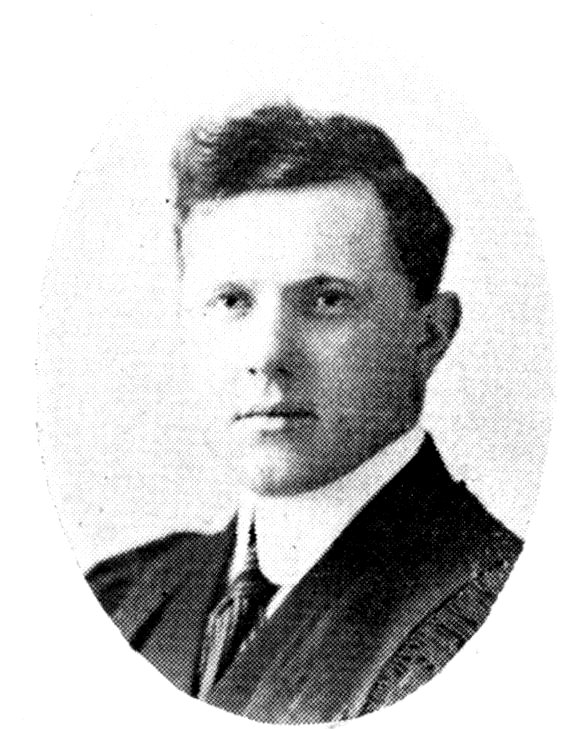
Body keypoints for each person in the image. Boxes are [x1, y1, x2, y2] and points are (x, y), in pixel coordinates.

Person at [86, 103, 523, 723]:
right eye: (231, 301)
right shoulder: (119, 600)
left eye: (326, 300)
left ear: (428, 335)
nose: (267, 355)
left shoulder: (497, 620)